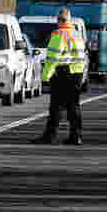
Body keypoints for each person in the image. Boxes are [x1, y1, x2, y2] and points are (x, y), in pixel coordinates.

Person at [31, 8, 86, 145]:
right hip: (77, 73)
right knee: (74, 106)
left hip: (62, 72)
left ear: (59, 20)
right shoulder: (76, 34)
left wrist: (45, 76)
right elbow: (82, 55)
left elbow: (52, 58)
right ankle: (76, 136)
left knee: (56, 106)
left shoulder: (59, 34)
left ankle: (50, 136)